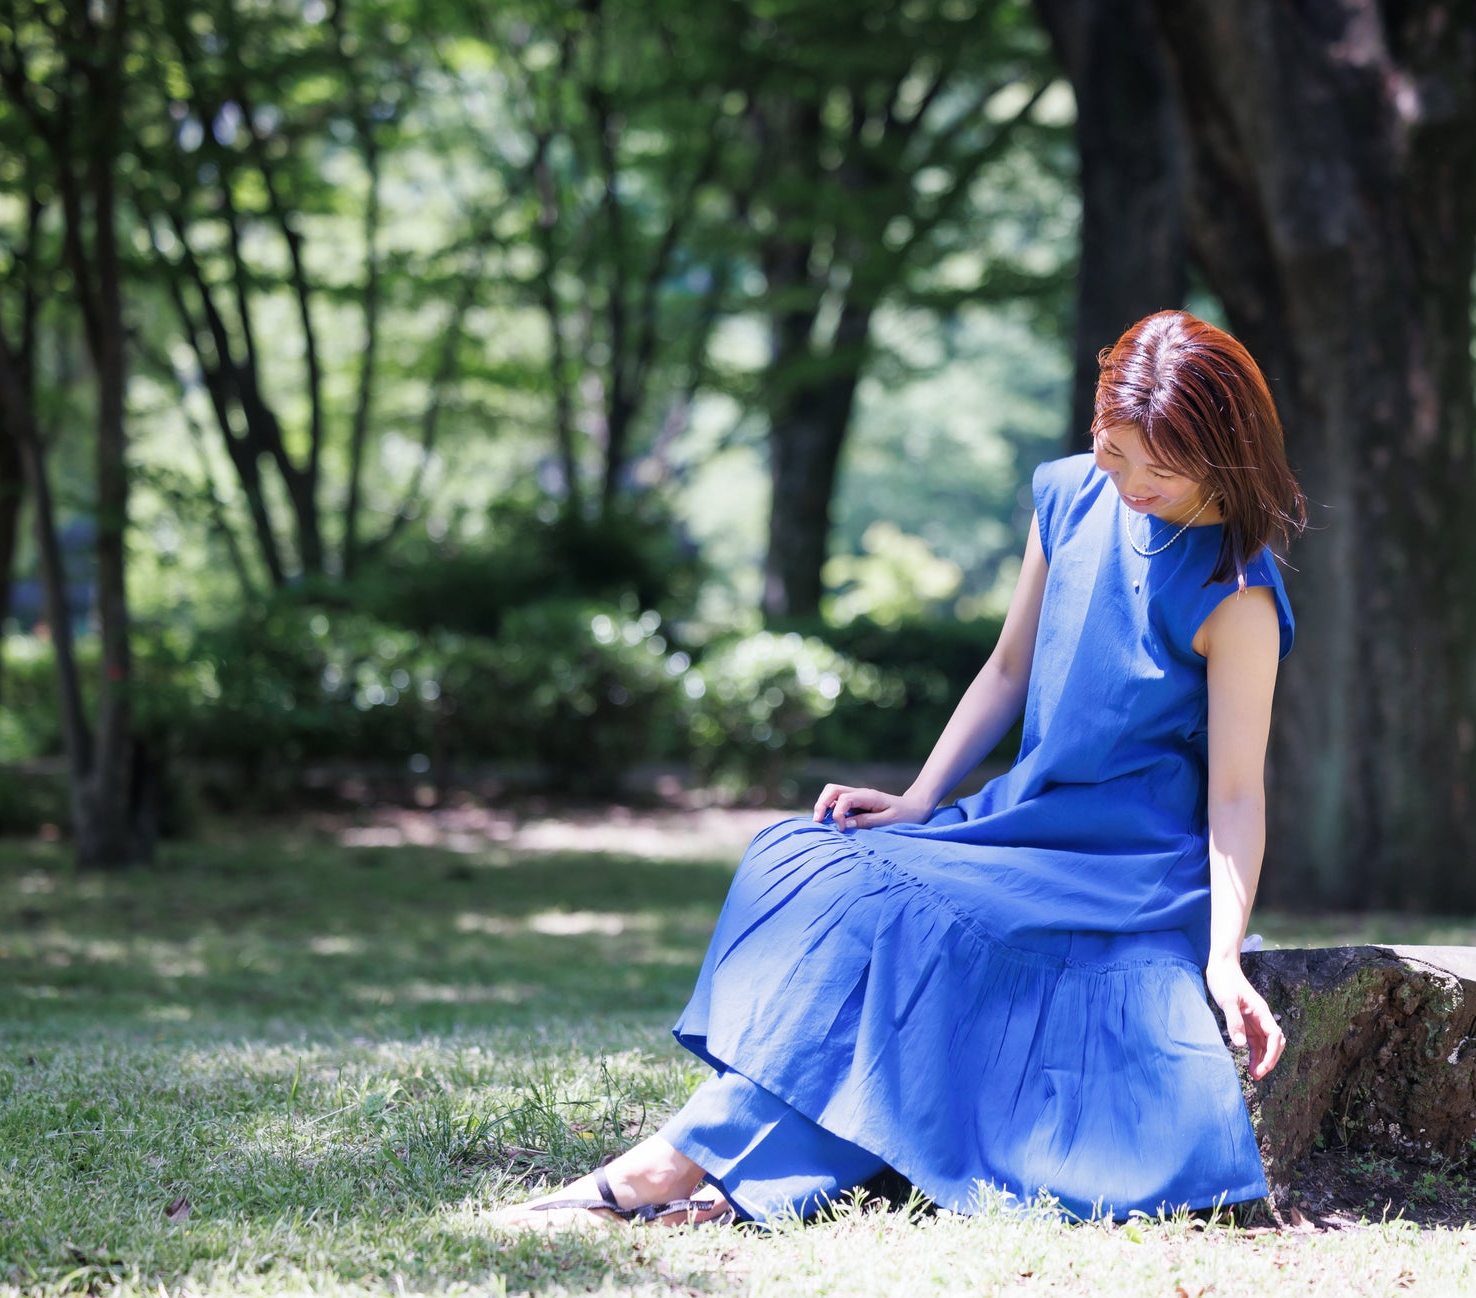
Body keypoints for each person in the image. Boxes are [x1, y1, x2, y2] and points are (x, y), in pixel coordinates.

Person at [492, 309, 1309, 1231]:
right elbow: (1007, 669)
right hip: (1021, 818)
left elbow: (1237, 795)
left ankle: (667, 1168)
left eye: (1157, 471)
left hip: (1123, 866)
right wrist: (922, 798)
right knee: (804, 856)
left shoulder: (1237, 596)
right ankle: (718, 1175)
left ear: (1224, 454)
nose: (1128, 486)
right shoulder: (1073, 496)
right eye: (1114, 454)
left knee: (903, 923)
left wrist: (1222, 954)